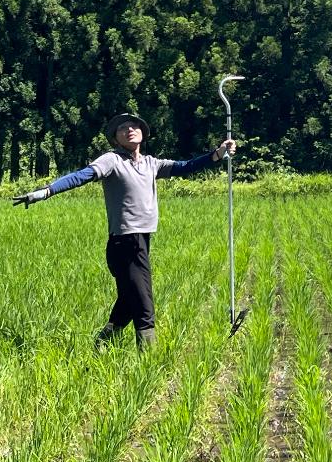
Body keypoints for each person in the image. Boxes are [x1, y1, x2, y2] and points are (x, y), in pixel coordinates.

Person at [13, 112, 238, 348]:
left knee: (128, 300)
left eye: (134, 126)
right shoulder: (111, 160)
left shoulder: (152, 164)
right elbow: (82, 176)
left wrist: (218, 153)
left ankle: (103, 342)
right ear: (115, 139)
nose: (130, 130)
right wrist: (46, 191)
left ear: (143, 133)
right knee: (143, 303)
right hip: (124, 242)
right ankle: (148, 362)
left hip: (142, 239)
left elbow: (186, 166)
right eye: (123, 129)